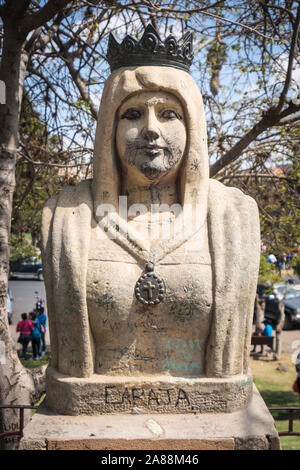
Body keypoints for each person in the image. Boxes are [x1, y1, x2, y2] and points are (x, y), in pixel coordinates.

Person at [41, 24, 260, 381]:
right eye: (132, 114)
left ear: (191, 127)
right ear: (110, 128)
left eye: (169, 114)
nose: (150, 129)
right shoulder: (66, 216)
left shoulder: (234, 216)